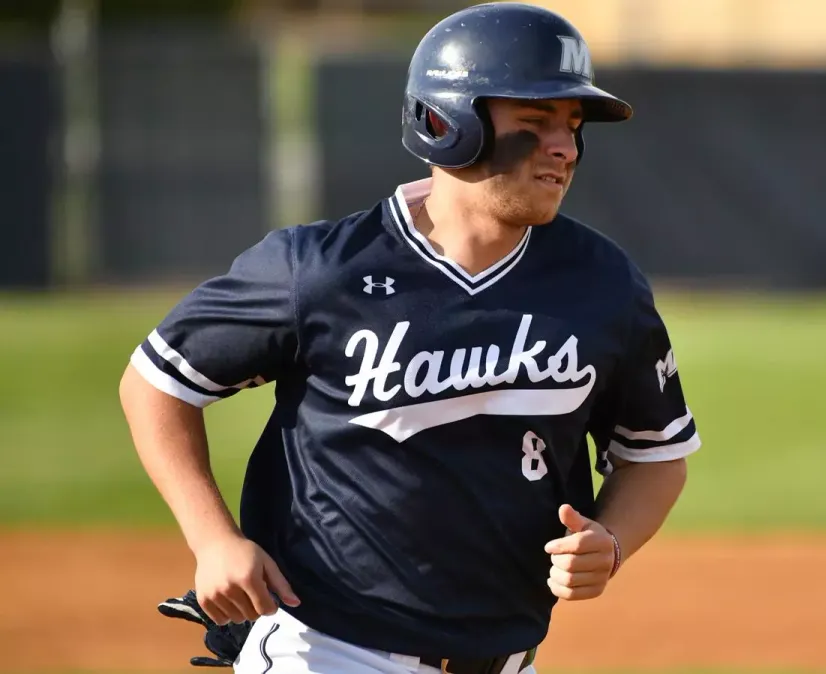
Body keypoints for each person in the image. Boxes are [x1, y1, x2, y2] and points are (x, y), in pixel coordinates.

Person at [118, 3, 700, 674]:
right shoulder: (321, 270)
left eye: (571, 127)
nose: (565, 148)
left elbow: (655, 455)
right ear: (448, 124)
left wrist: (613, 541)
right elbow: (156, 384)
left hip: (508, 658)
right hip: (328, 651)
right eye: (535, 125)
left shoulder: (604, 284)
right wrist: (213, 539)